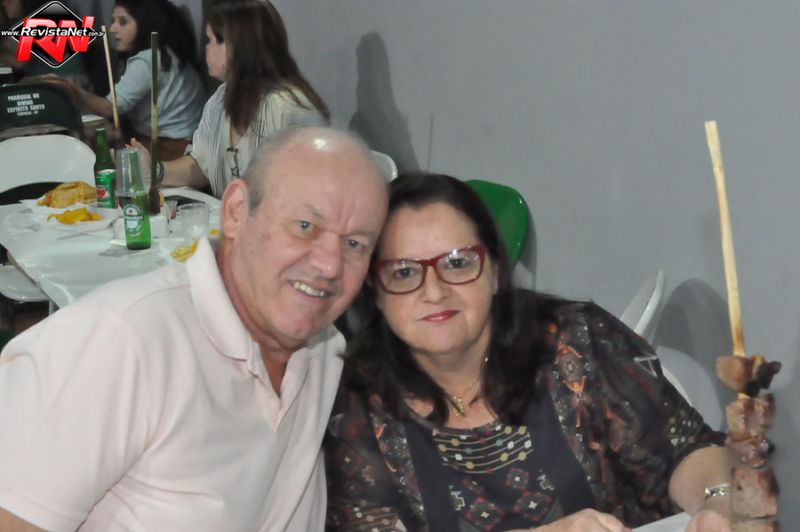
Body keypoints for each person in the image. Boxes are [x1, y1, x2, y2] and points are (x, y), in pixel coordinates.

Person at [0, 127, 388, 531]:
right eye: (305, 225)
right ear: (236, 211)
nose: (330, 265)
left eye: (355, 244)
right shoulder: (120, 343)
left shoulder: (326, 353)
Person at [324, 173, 735, 532]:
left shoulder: (578, 343)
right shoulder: (357, 405)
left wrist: (717, 500)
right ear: (376, 292)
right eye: (404, 272)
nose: (434, 291)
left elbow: (685, 448)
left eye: (458, 263)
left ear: (495, 271)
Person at [151, 0, 329, 198]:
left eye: (213, 40)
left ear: (241, 46)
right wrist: (153, 171)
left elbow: (304, 196)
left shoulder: (287, 110)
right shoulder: (220, 98)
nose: (206, 48)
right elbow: (201, 166)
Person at [45, 0, 206, 160]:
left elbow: (110, 108)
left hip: (172, 147)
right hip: (179, 139)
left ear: (144, 24)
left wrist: (70, 88)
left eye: (123, 22)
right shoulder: (165, 53)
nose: (113, 29)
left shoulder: (148, 60)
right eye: (113, 21)